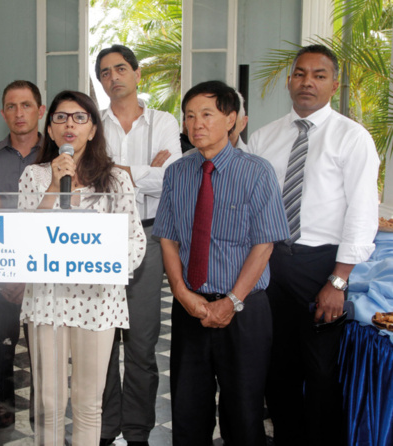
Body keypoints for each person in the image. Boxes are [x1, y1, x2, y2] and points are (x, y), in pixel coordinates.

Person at [246, 44, 379, 445]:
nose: (308, 82)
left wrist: (338, 281)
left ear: (334, 84)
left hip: (321, 265)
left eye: (319, 75)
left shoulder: (352, 138)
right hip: (270, 263)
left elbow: (362, 212)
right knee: (276, 369)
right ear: (289, 81)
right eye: (300, 74)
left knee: (320, 372)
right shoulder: (263, 138)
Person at [152, 80, 289, 446]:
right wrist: (181, 293)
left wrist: (232, 301)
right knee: (187, 411)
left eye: (207, 115)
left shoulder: (257, 172)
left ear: (231, 119)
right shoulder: (177, 173)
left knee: (243, 413)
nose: (196, 123)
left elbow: (264, 245)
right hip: (190, 306)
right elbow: (168, 238)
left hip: (244, 310)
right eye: (189, 116)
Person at [18, 90, 146, 445]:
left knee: (89, 403)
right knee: (48, 403)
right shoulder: (33, 176)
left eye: (79, 117)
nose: (69, 124)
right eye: (60, 117)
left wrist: (101, 266)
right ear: (50, 129)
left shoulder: (116, 179)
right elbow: (22, 239)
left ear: (93, 129)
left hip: (98, 300)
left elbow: (135, 242)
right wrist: (50, 188)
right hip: (47, 300)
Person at [95, 44, 181, 446]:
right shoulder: (92, 124)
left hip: (149, 233)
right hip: (98, 239)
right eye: (106, 72)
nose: (114, 77)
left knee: (143, 343)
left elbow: (172, 179)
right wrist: (148, 169)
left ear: (137, 73)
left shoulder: (164, 121)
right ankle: (106, 427)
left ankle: (138, 431)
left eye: (121, 69)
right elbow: (91, 179)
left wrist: (118, 171)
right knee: (103, 341)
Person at [0, 80, 45, 429]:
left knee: (43, 347)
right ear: (3, 114)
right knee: (0, 344)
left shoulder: (58, 155)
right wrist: (6, 273)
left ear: (40, 111)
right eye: (12, 107)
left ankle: (43, 410)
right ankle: (1, 405)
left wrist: (30, 272)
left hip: (45, 268)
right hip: (2, 269)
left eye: (26, 105)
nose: (19, 113)